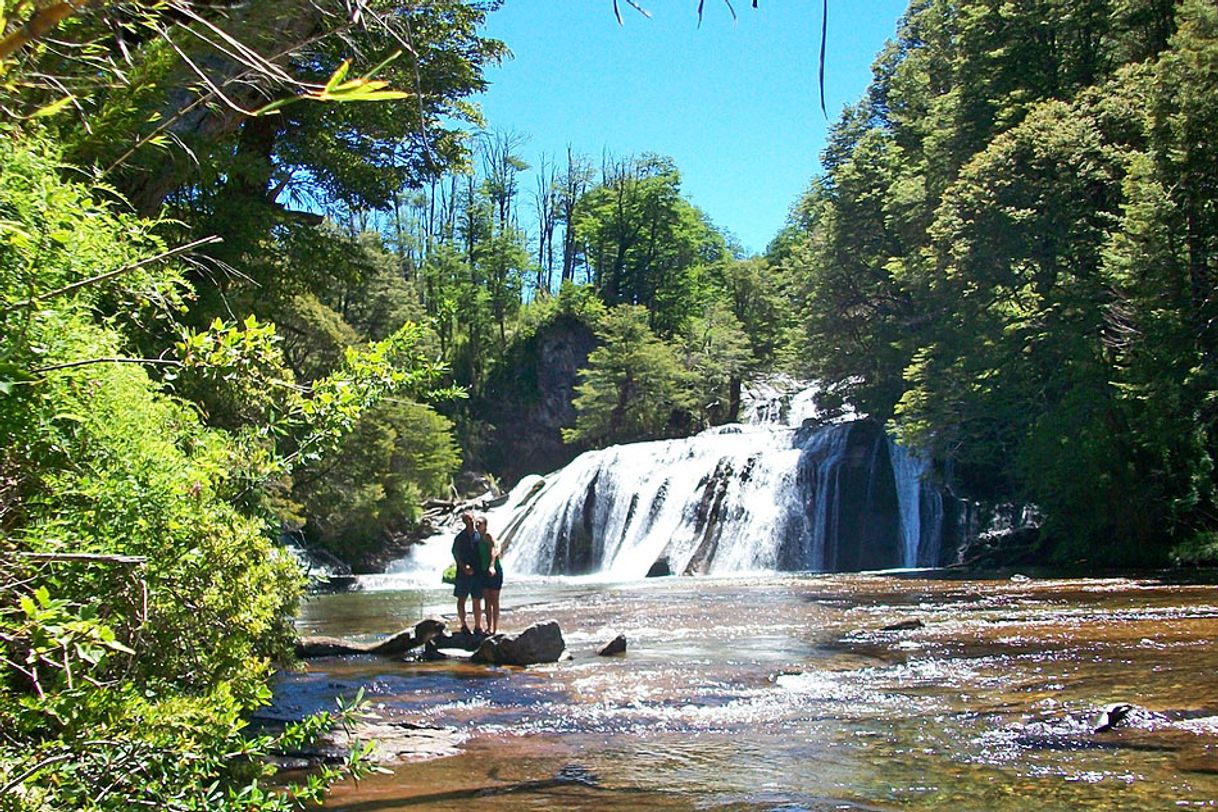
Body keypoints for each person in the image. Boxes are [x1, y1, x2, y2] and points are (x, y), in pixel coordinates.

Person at [451, 511, 483, 635]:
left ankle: (478, 626)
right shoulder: (460, 537)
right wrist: (463, 567)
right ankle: (463, 624)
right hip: (463, 573)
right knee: (461, 599)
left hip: (477, 573)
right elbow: (455, 553)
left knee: (477, 599)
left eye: (471, 519)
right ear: (464, 522)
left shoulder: (479, 536)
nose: (470, 522)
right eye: (467, 520)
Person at [476, 514, 503, 635]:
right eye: (476, 523)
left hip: (494, 571)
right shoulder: (477, 537)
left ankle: (495, 628)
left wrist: (492, 566)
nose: (477, 525)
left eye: (480, 523)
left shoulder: (487, 536)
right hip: (483, 572)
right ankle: (488, 627)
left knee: (494, 600)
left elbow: (494, 551)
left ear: (485, 525)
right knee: (487, 600)